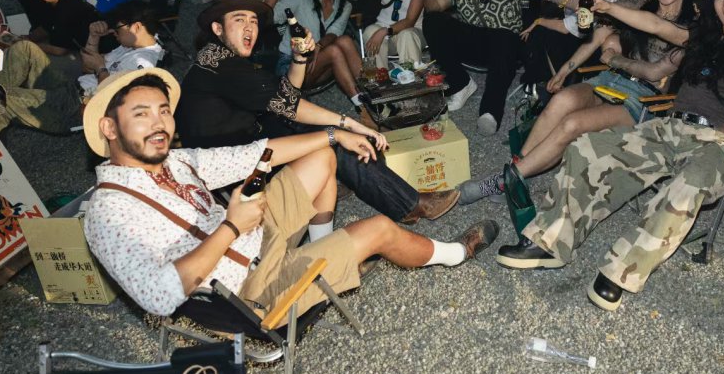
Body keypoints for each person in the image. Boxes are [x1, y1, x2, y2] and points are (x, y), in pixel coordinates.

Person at [495, 0, 724, 312]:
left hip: (717, 142)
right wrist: (608, 8)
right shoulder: (701, 38)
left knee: (689, 185)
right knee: (587, 148)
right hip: (670, 128)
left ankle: (623, 269)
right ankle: (550, 242)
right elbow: (656, 25)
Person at [82, 69, 499, 322]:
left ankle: (326, 255)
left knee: (321, 157)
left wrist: (336, 134)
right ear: (109, 128)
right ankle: (455, 253)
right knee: (378, 229)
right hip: (249, 287)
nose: (159, 124)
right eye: (141, 114)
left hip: (251, 234)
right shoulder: (107, 211)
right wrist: (231, 227)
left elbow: (256, 153)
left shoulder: (175, 160)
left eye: (163, 111)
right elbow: (158, 296)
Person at [175, 0, 457, 225]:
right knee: (332, 139)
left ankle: (355, 178)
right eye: (239, 20)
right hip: (232, 171)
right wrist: (348, 123)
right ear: (218, 28)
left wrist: (300, 58)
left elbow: (286, 96)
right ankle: (409, 204)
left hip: (242, 143)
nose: (250, 28)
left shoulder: (216, 58)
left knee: (310, 126)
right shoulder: (221, 65)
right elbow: (289, 103)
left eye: (253, 20)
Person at [458, 0, 696, 204]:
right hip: (611, 80)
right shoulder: (642, 6)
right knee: (560, 100)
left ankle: (500, 182)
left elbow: (654, 71)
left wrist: (615, 60)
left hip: (644, 101)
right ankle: (517, 171)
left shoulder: (695, 25)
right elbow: (594, 7)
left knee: (572, 124)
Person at [0, 0, 163, 135]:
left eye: (118, 28)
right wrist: (93, 37)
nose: (114, 33)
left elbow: (117, 101)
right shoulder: (129, 46)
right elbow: (87, 66)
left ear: (137, 27)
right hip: (70, 88)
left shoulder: (144, 63)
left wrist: (101, 69)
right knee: (24, 49)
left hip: (74, 108)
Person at [415, 0, 524, 135]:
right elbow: (436, 5)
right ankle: (460, 84)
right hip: (479, 42)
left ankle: (490, 113)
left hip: (509, 40)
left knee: (502, 38)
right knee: (432, 20)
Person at [266, 0, 362, 101]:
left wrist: (318, 46)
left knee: (345, 41)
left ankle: (371, 91)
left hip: (319, 62)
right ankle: (361, 104)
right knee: (334, 51)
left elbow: (334, 33)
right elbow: (266, 18)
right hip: (291, 65)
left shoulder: (345, 5)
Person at [25, 0, 106, 78]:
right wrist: (26, 38)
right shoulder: (54, 1)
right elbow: (46, 27)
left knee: (35, 62)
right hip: (82, 49)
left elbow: (60, 50)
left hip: (100, 56)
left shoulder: (68, 7)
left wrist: (27, 45)